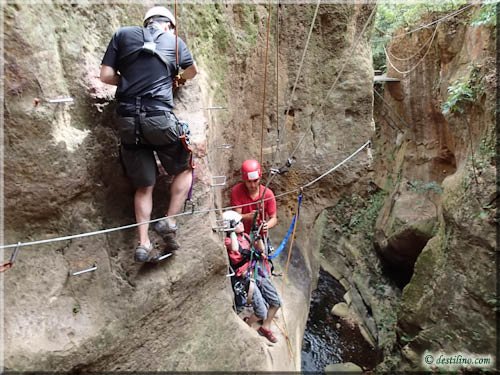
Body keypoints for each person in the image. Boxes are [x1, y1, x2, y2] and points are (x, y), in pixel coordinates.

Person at [100, 6, 198, 262]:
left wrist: (129, 81)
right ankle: (168, 221)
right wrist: (174, 78)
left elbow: (106, 75)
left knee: (144, 185)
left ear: (146, 23)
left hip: (128, 122)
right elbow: (191, 72)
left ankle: (143, 244)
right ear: (169, 26)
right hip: (158, 118)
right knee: (186, 167)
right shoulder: (175, 43)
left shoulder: (122, 34)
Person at [223, 210, 281, 343]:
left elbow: (260, 250)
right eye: (238, 223)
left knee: (276, 302)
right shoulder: (228, 240)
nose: (242, 224)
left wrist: (257, 236)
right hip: (246, 279)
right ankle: (248, 325)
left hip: (257, 271)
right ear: (230, 226)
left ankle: (265, 327)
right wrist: (232, 230)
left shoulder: (246, 237)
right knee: (261, 312)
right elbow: (235, 248)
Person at [230, 159, 278, 238]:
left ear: (260, 178)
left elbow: (273, 218)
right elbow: (236, 216)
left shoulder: (267, 194)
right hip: (241, 236)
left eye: (255, 181)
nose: (252, 185)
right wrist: (247, 216)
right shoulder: (237, 191)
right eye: (249, 181)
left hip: (260, 236)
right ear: (244, 180)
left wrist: (267, 225)